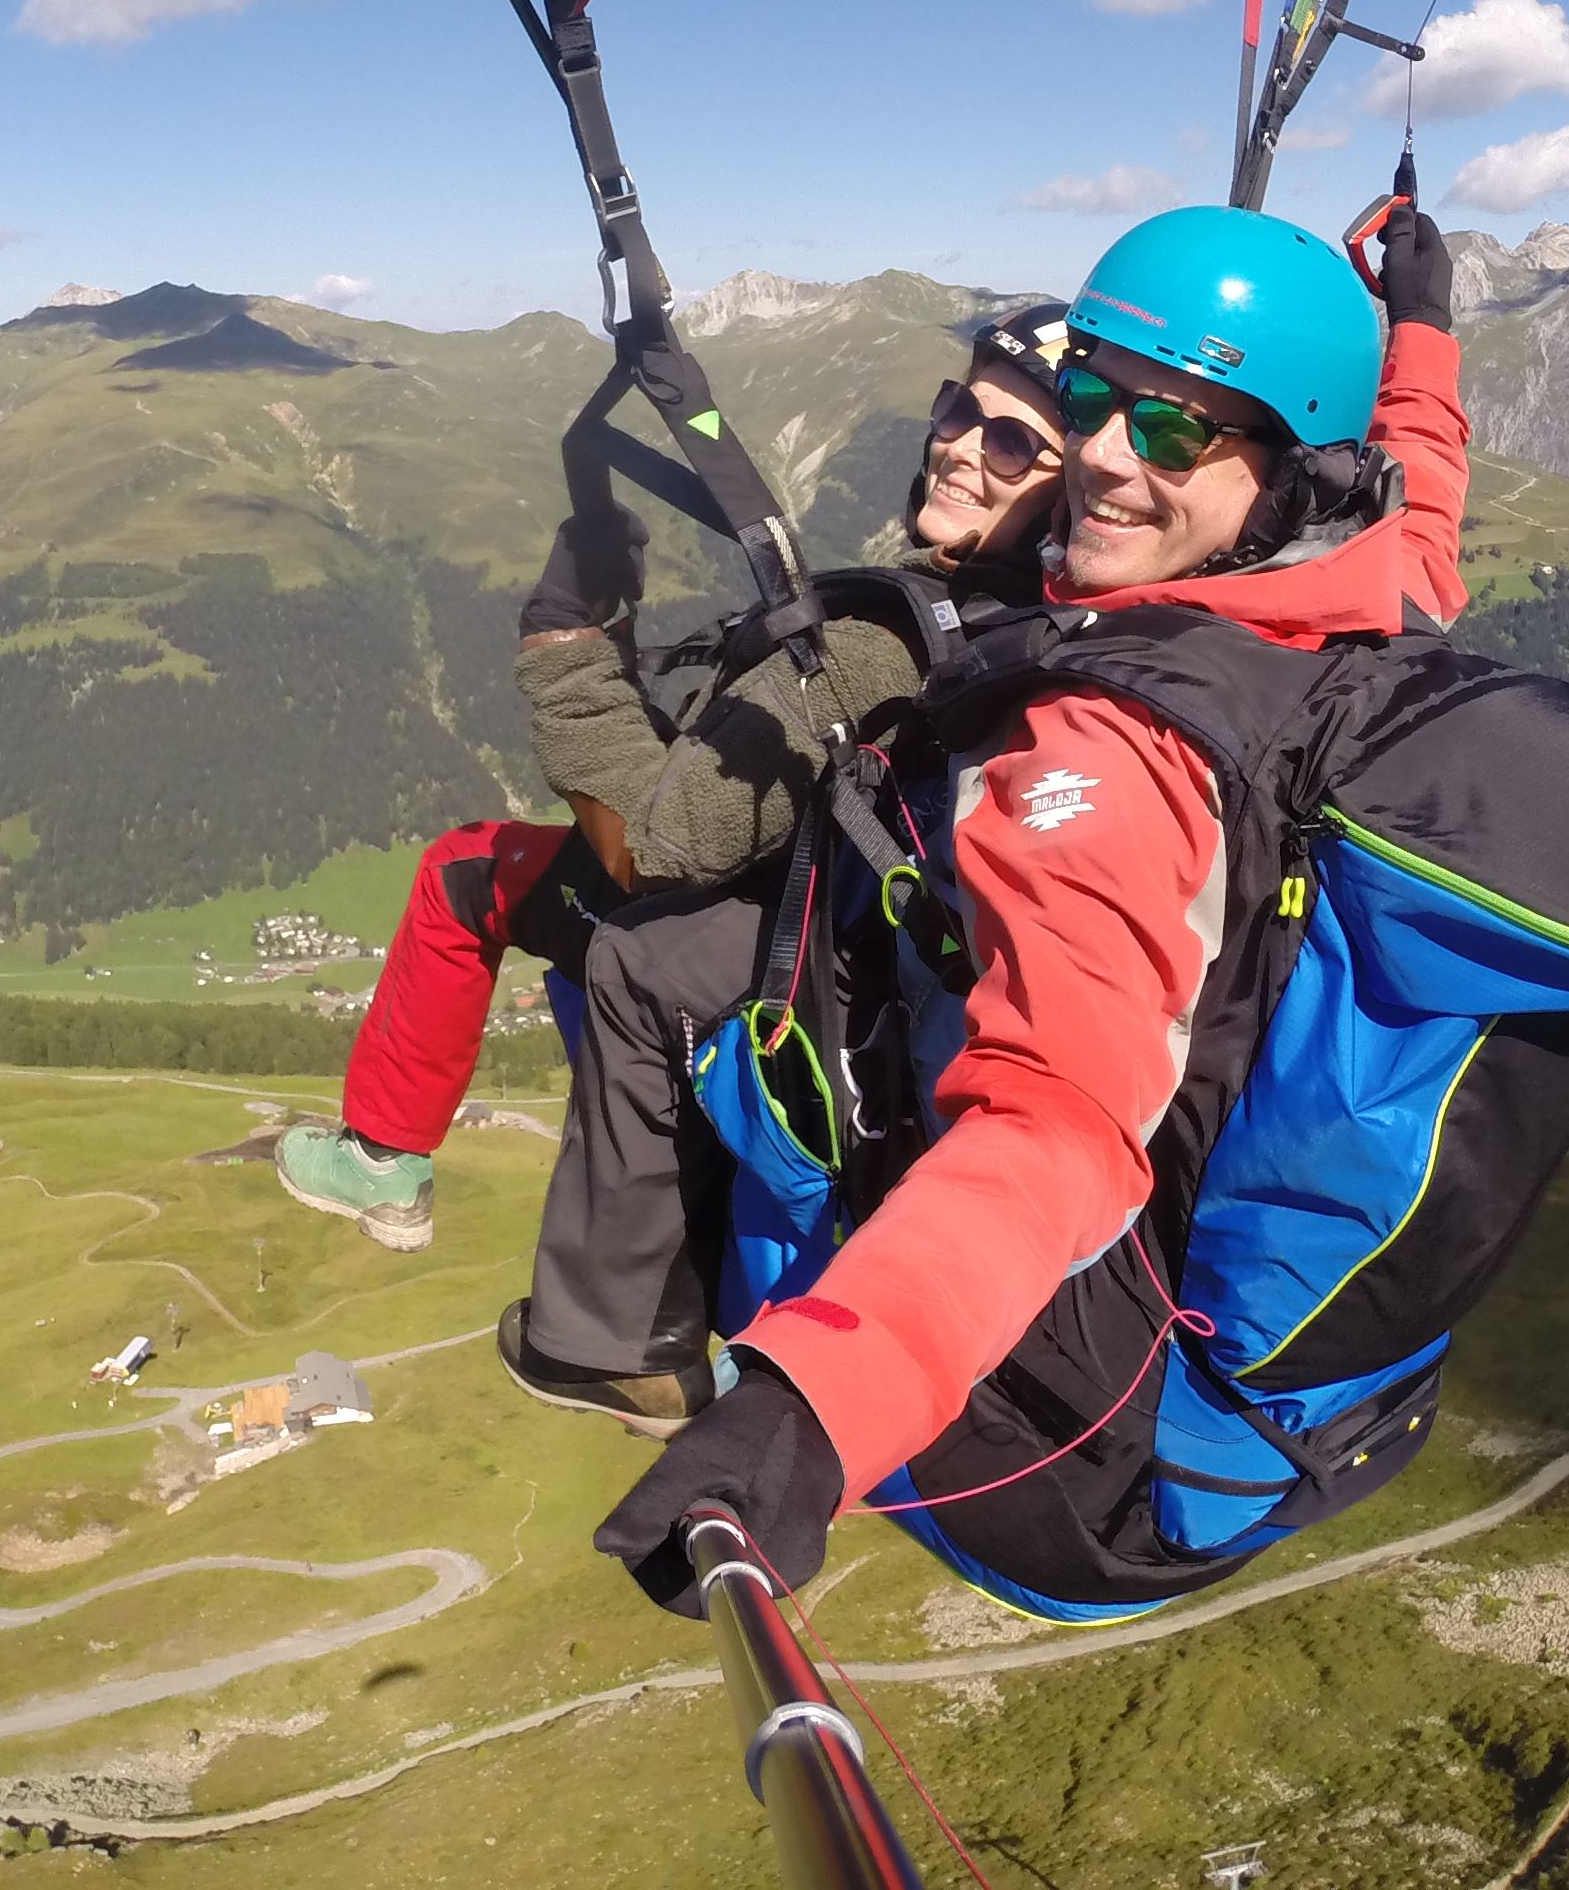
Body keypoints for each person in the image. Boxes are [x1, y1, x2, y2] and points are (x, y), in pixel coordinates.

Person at [494, 201, 1468, 1445]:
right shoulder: (1370, 583)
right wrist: (1421, 325)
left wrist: (823, 1410)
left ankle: (618, 1342)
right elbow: (1421, 492)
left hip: (974, 1255)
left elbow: (1056, 1115)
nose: (1105, 455)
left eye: (1170, 429)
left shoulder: (1098, 730)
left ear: (1291, 476)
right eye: (1089, 402)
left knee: (642, 956)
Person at [270, 303, 1086, 1260]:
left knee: (466, 873)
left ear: (1069, 490)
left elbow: (656, 850)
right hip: (804, 905)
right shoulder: (1016, 623)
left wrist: (567, 639)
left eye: (1010, 442)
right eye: (958, 410)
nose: (960, 447)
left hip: (744, 933)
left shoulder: (879, 649)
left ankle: (383, 1159)